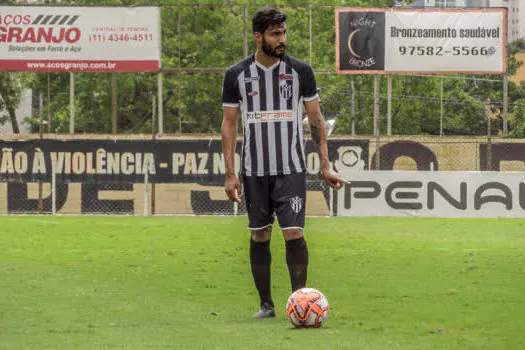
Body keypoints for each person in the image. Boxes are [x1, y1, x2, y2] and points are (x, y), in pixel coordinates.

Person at [221, 7, 347, 318]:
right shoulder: (236, 74)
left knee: (294, 233)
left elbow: (315, 119)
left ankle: (299, 302)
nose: (282, 39)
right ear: (258, 36)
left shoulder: (300, 71)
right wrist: (230, 174)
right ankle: (266, 305)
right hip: (254, 171)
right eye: (275, 34)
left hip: (290, 169)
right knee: (260, 234)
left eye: (284, 33)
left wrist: (326, 164)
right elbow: (229, 124)